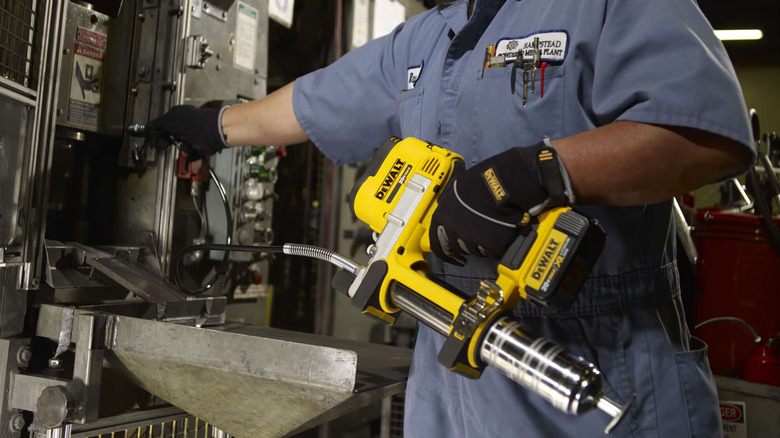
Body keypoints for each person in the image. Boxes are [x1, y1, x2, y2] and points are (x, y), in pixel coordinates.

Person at [148, 0, 756, 436]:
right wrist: (214, 125)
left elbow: (704, 135)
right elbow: (316, 102)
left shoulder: (610, 5)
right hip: (453, 361)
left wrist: (533, 174)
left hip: (598, 357)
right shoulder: (433, 34)